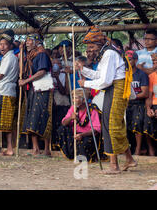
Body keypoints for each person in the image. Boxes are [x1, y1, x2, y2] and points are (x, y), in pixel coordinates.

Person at [76, 26, 137, 174]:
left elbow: (106, 80)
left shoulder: (109, 53)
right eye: (88, 47)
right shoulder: (106, 52)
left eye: (91, 46)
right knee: (113, 124)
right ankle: (129, 160)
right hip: (112, 89)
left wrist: (86, 84)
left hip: (116, 89)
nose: (90, 50)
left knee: (111, 125)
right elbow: (99, 75)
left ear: (98, 44)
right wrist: (82, 69)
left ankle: (114, 166)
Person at [19, 34, 54, 156]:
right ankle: (35, 148)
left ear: (36, 42)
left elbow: (42, 71)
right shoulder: (29, 56)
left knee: (43, 116)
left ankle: (46, 149)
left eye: (29, 41)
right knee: (32, 117)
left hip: (43, 88)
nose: (26, 43)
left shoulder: (42, 54)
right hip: (33, 89)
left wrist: (26, 81)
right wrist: (21, 50)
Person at [57, 88, 102, 162]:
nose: (73, 100)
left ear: (84, 100)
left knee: (84, 144)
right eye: (73, 98)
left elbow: (96, 129)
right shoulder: (73, 108)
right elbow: (64, 123)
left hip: (87, 135)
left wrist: (82, 135)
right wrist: (71, 117)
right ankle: (71, 154)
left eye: (76, 98)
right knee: (61, 129)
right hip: (75, 134)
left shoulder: (92, 110)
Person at [125, 50, 150, 155]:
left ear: (135, 60)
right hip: (126, 104)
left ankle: (138, 150)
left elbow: (145, 93)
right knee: (125, 128)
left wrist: (131, 97)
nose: (127, 61)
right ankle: (128, 150)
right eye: (125, 60)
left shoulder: (141, 74)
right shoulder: (123, 74)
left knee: (137, 125)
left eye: (130, 59)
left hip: (138, 104)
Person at [144, 53, 157, 155]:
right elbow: (149, 96)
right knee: (147, 122)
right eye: (153, 62)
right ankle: (151, 149)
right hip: (153, 104)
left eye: (156, 61)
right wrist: (148, 108)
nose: (154, 64)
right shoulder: (152, 76)